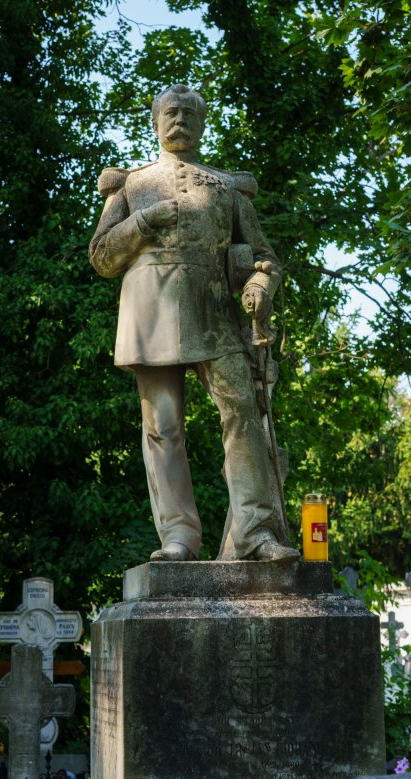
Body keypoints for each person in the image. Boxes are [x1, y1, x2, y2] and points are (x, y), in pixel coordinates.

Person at [89, 84, 300, 564]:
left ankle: (256, 532)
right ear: (155, 122)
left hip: (215, 313)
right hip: (150, 314)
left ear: (203, 124)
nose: (180, 119)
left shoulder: (227, 187)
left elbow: (264, 258)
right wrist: (144, 222)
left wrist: (260, 285)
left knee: (243, 412)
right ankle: (178, 537)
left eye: (189, 113)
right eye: (171, 112)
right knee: (162, 427)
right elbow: (101, 257)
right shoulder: (131, 185)